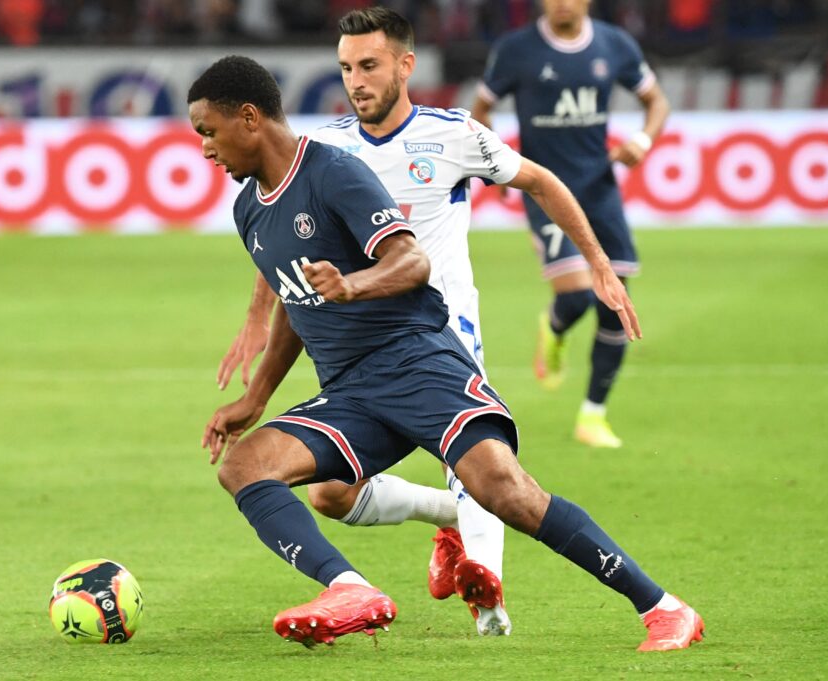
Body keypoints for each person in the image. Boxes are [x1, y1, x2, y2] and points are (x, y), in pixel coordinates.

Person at [189, 53, 703, 651]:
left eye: (208, 131)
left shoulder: (333, 172)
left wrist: (352, 284)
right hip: (351, 393)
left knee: (505, 492)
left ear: (249, 118)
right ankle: (350, 590)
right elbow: (296, 304)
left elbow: (411, 260)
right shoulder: (248, 208)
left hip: (417, 363)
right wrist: (255, 398)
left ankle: (664, 607)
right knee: (244, 467)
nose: (205, 149)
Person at [472, 0, 671, 448]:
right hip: (545, 189)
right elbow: (480, 110)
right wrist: (494, 164)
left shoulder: (615, 44)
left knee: (615, 303)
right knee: (578, 295)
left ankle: (593, 416)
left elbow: (656, 101)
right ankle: (555, 327)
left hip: (599, 190)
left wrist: (642, 140)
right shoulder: (516, 49)